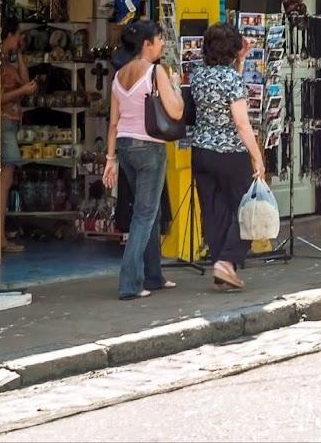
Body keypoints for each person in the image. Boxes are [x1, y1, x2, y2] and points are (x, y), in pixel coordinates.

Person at [100, 20, 185, 300]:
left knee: (150, 210)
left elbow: (113, 124)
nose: (162, 44)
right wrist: (176, 88)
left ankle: (153, 275)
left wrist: (110, 158)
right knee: (145, 215)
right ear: (146, 44)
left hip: (125, 146)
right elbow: (174, 112)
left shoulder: (119, 75)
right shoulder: (155, 71)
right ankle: (130, 283)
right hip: (150, 147)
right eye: (159, 39)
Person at [189, 22, 266, 291]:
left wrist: (239, 62)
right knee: (249, 209)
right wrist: (256, 156)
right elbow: (242, 124)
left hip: (201, 152)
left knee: (214, 211)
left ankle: (223, 265)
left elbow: (222, 86)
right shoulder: (231, 79)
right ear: (232, 49)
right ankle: (228, 260)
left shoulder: (198, 75)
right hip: (230, 154)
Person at [0, 18, 40, 254]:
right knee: (4, 180)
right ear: (10, 34)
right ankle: (0, 237)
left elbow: (25, 81)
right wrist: (22, 91)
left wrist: (20, 54)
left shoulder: (6, 61)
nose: (20, 39)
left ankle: (1, 235)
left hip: (11, 123)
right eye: (18, 35)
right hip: (4, 123)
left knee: (7, 179)